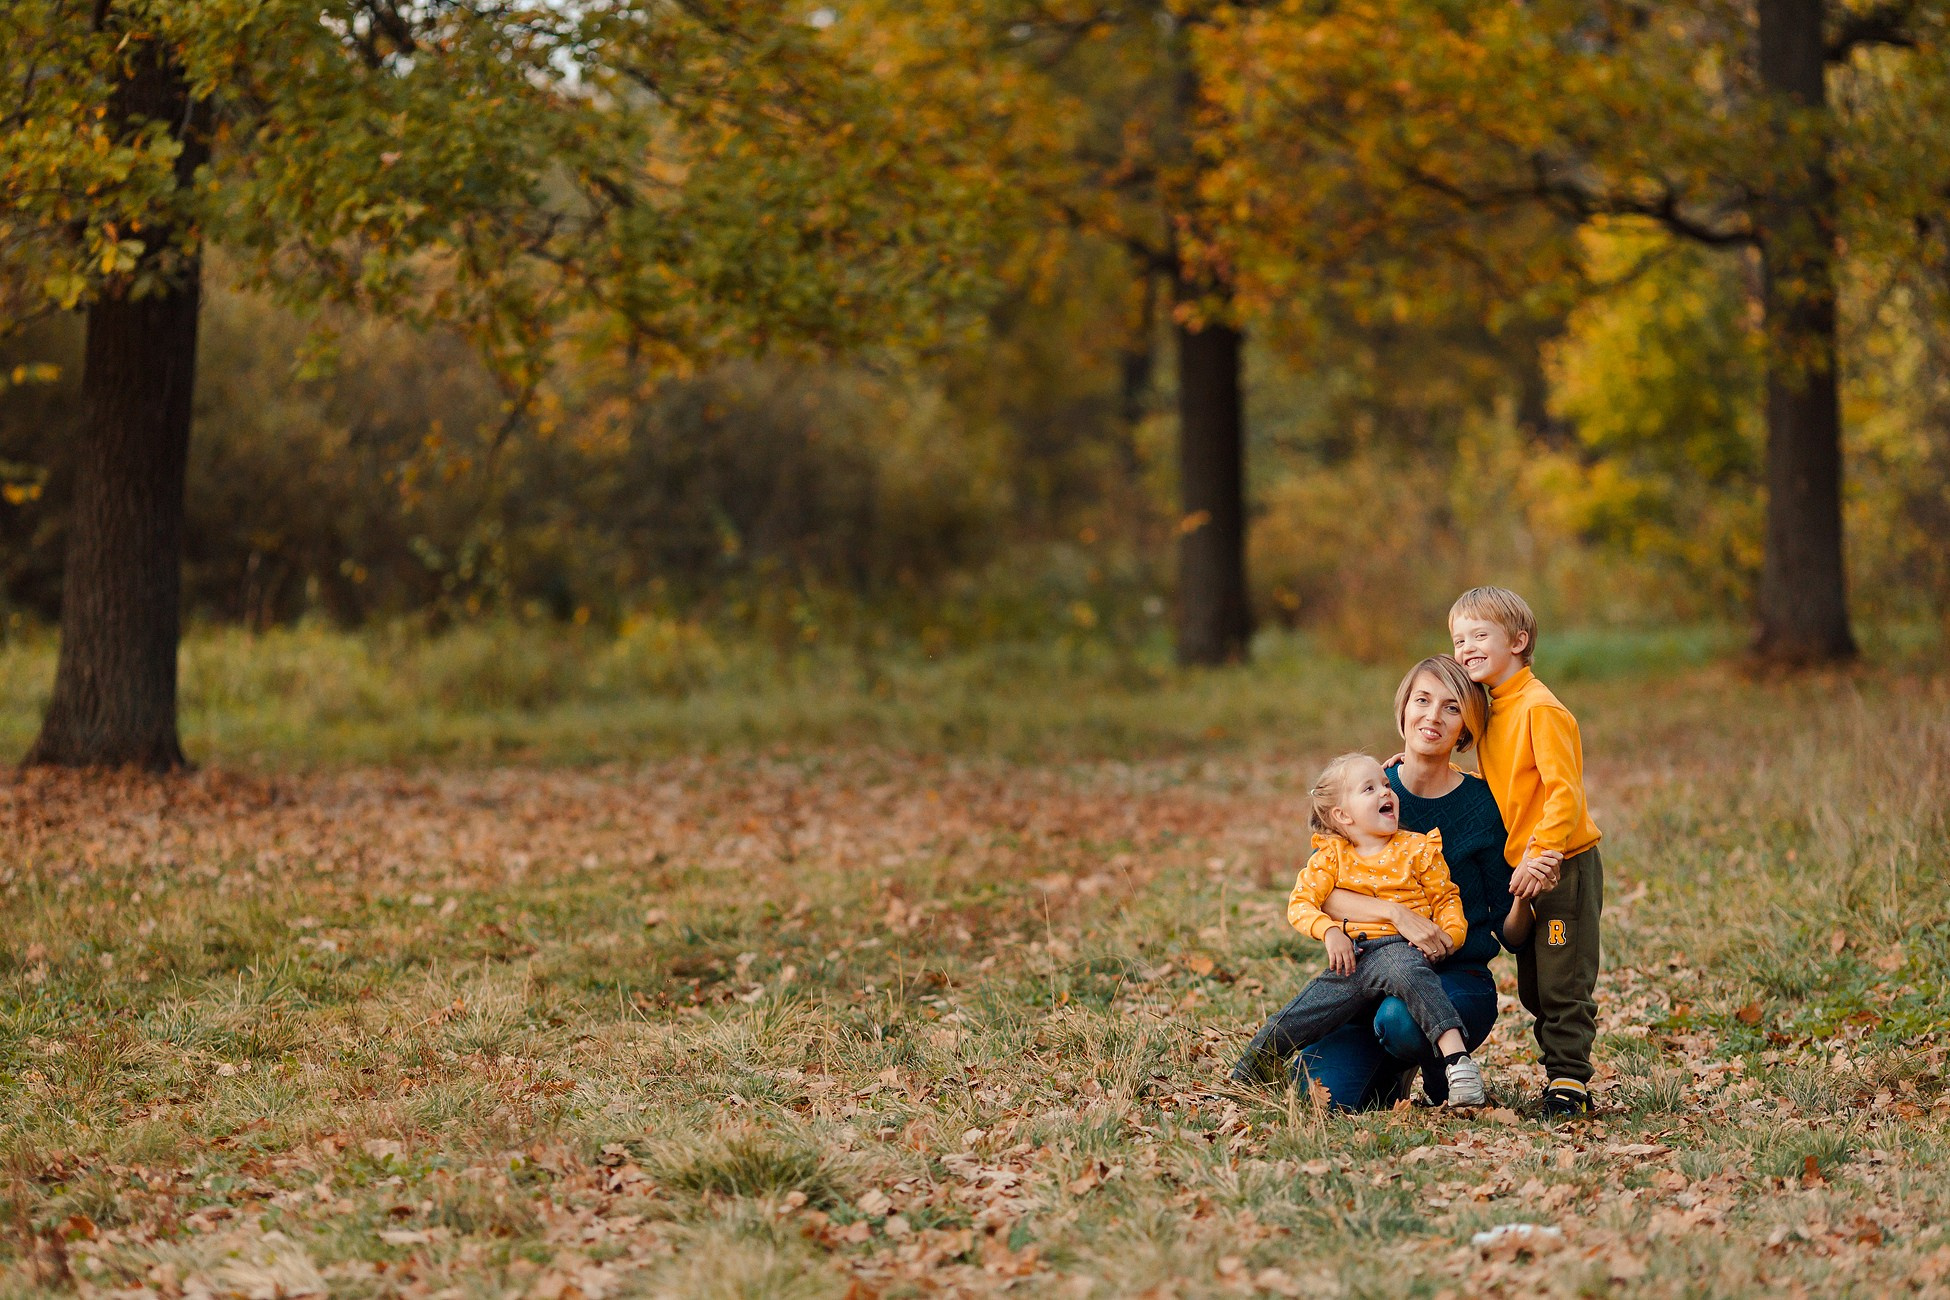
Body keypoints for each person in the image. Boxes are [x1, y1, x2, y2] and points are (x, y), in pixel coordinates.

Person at [1295, 656, 1555, 1108]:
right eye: (1422, 700)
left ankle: (1437, 1068)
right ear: (1403, 709)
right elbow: (1321, 894)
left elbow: (1512, 936)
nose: (1433, 716)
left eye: (1452, 708)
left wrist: (1523, 894)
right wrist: (1396, 914)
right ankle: (1392, 1071)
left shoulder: (1484, 805)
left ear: (1467, 727)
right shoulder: (1370, 793)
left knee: (1400, 1021)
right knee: (1318, 1094)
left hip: (1456, 978)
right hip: (1367, 978)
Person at [1232, 753, 1490, 1107]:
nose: (1386, 792)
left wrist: (1449, 935)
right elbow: (1301, 903)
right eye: (1369, 788)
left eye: (1385, 785)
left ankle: (1458, 1064)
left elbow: (1446, 898)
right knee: (1303, 1012)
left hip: (1401, 949)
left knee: (1412, 977)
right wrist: (1329, 932)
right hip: (1352, 958)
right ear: (1343, 815)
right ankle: (1247, 1072)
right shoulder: (1331, 856)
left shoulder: (1416, 848)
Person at [1450, 586, 1604, 1118]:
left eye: (1479, 635)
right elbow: (1496, 783)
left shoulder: (1541, 708)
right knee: (1535, 982)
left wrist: (1545, 854)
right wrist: (1413, 764)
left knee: (1564, 978)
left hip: (1561, 864)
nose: (1466, 648)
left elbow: (1565, 792)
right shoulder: (1492, 709)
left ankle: (1569, 1081)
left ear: (1517, 641)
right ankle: (1558, 1069)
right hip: (1523, 867)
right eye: (1459, 640)